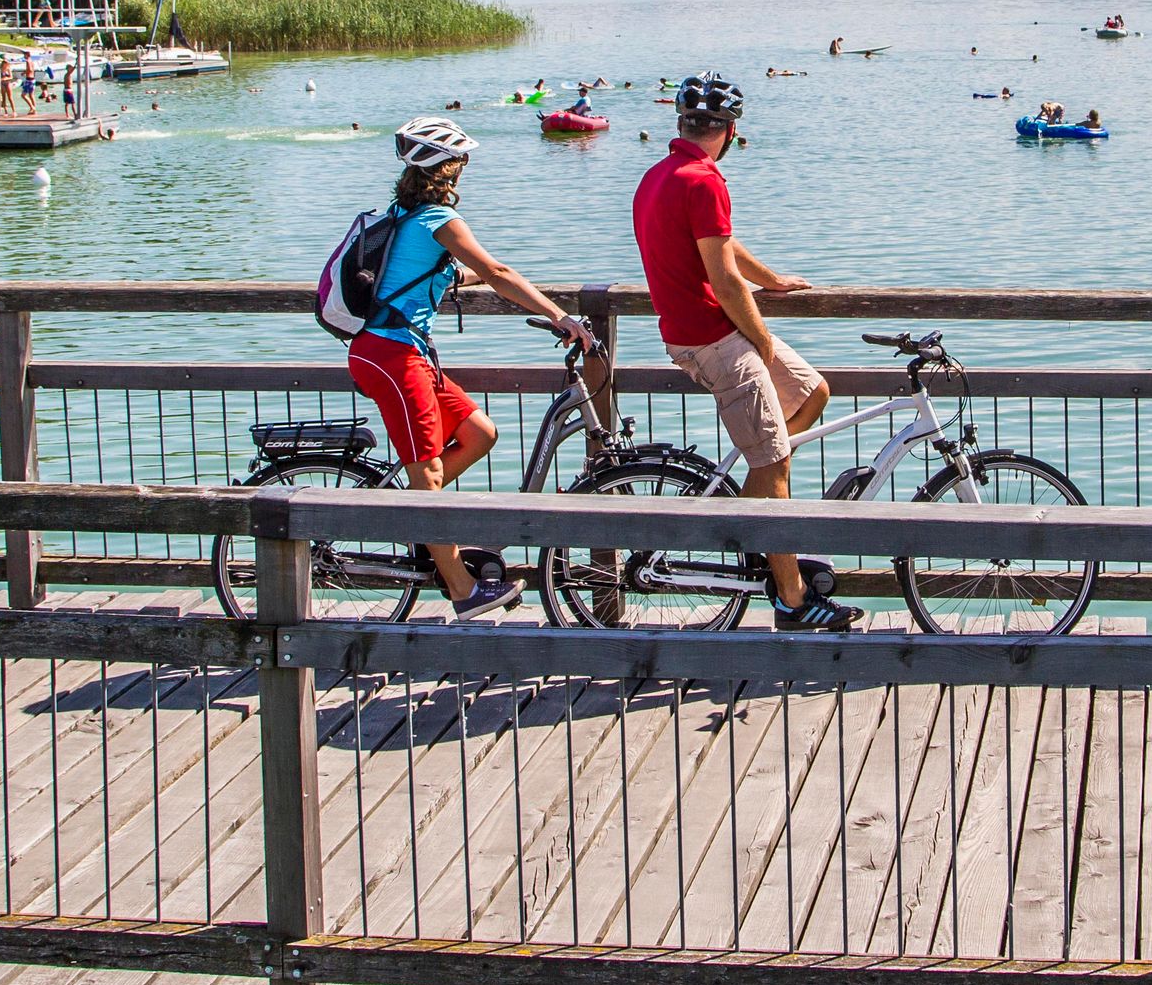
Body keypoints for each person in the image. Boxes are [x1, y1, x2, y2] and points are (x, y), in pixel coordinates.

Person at [633, 73, 856, 632]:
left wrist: (774, 280)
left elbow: (724, 246)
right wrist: (759, 337)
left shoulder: (660, 175)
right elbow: (726, 282)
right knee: (773, 464)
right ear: (730, 131)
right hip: (716, 338)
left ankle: (758, 512)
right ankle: (791, 600)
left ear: (683, 125)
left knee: (812, 392)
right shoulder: (704, 181)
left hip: (710, 332)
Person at [347, 118, 594, 616]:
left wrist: (470, 276)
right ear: (447, 168)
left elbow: (447, 269)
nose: (464, 170)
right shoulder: (436, 218)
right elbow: (497, 271)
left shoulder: (406, 214)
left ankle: (423, 517)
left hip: (405, 354)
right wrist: (559, 315)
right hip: (391, 356)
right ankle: (462, 587)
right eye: (461, 162)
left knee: (480, 433)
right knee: (430, 471)